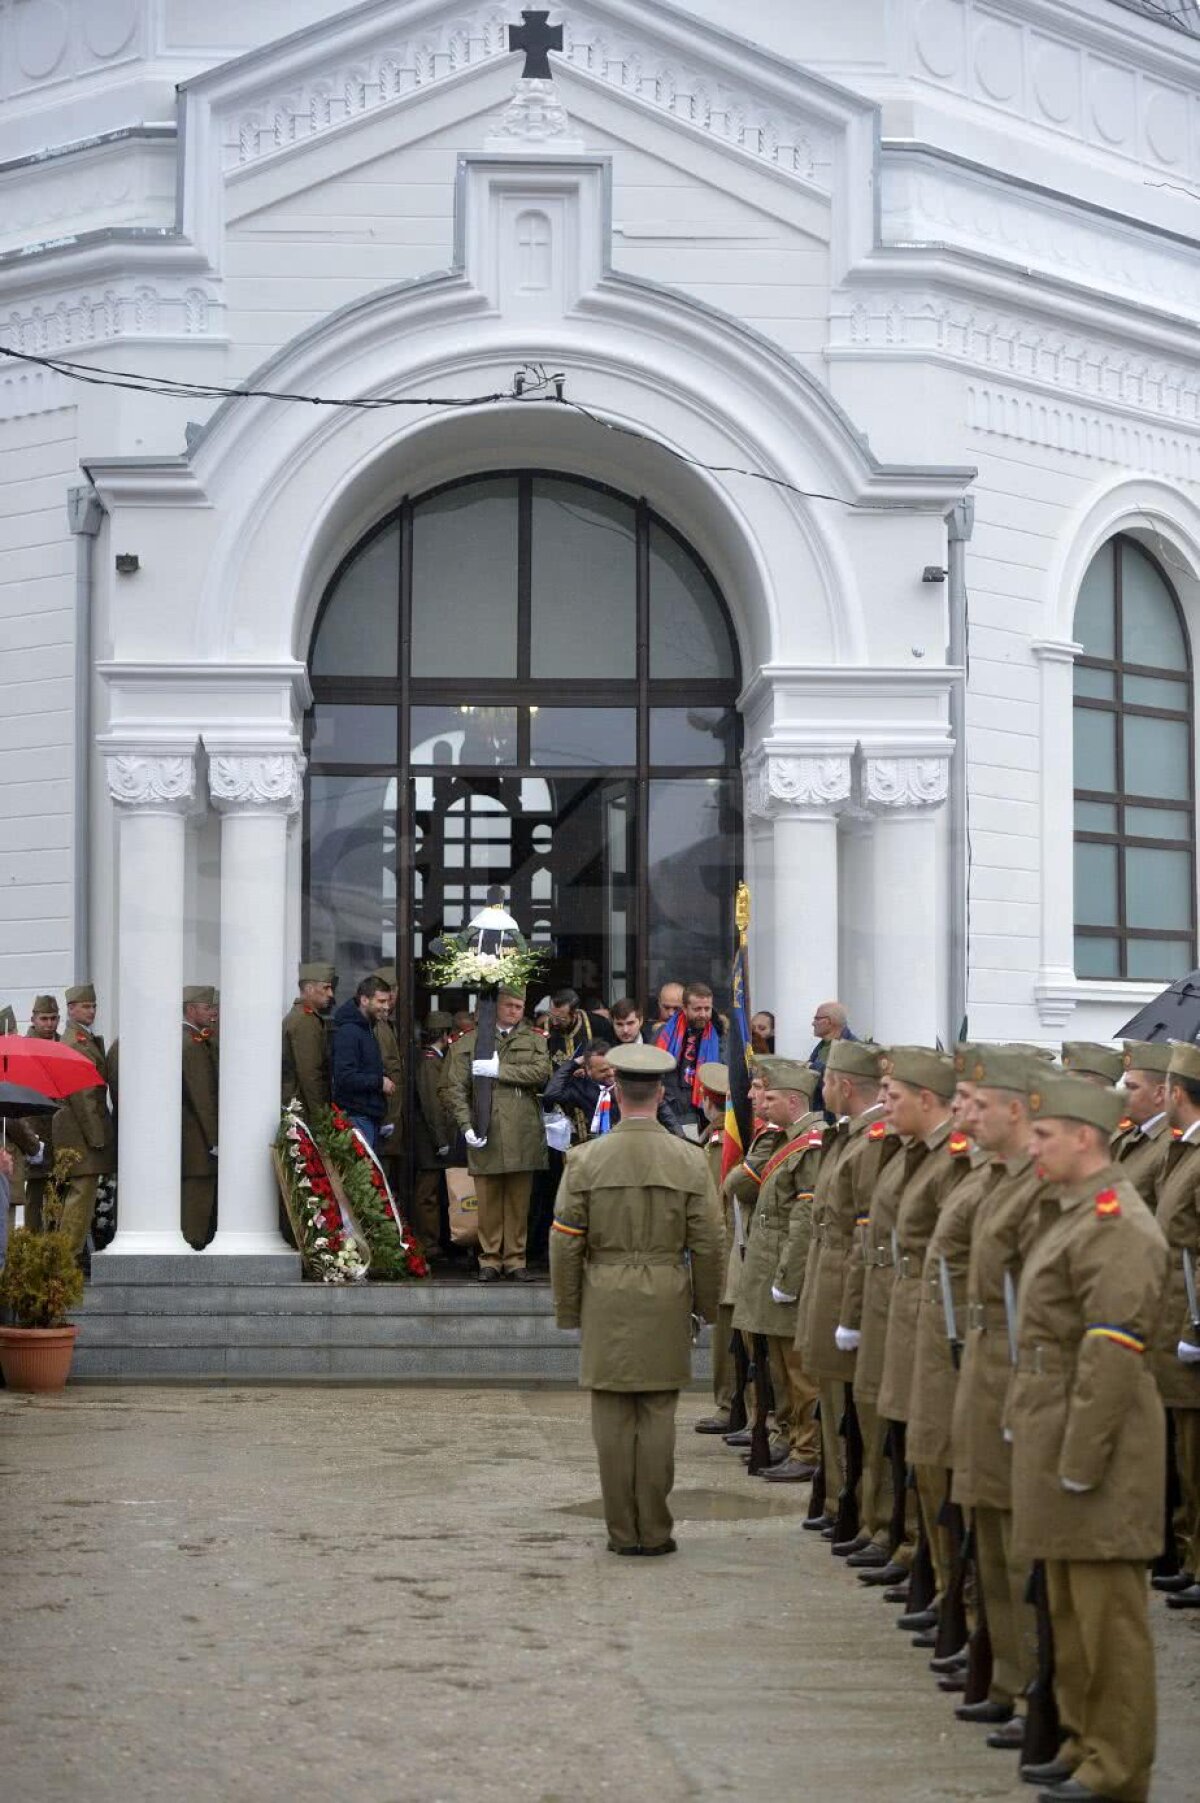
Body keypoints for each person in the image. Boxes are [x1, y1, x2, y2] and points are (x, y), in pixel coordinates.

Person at [1012, 1073, 1167, 1803]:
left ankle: (1118, 1767)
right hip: (1059, 1428)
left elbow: (1110, 1352)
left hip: (1100, 1442)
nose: (1033, 1146)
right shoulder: (1075, 1210)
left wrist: (1079, 1457)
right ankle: (1082, 1742)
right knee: (1071, 1609)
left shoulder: (1116, 1223)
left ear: (1084, 1138)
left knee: (1110, 1622)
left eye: (1044, 1135)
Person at [549, 1041, 723, 1555]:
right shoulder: (689, 1159)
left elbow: (565, 1241)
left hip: (605, 1292)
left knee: (611, 1415)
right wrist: (706, 1307)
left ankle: (622, 1532)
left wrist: (569, 1308)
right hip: (667, 1291)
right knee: (658, 1413)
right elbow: (709, 1243)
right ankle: (655, 1528)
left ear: (618, 1092)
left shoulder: (584, 1159)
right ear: (661, 1093)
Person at [950, 1045, 1054, 1748]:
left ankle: (1034, 1691)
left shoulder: (1037, 1187)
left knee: (1017, 1539)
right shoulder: (991, 1174)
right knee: (986, 1524)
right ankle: (1008, 1678)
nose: (969, 1115)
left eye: (981, 1105)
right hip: (983, 1355)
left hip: (1016, 1362)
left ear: (1018, 1110)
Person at [875, 1046, 975, 1609]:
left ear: (927, 1099)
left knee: (937, 1453)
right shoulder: (916, 1152)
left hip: (940, 1317)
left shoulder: (953, 1160)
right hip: (912, 1306)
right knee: (915, 1446)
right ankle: (934, 1574)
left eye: (894, 1096)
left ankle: (949, 1586)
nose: (884, 1103)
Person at [793, 1039, 890, 1546]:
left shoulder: (872, 1142)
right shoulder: (847, 1136)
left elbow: (864, 1229)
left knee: (857, 1413)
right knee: (832, 1400)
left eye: (827, 1081)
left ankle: (866, 1514)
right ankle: (837, 1501)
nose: (822, 1089)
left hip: (846, 1281)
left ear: (845, 1086)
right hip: (827, 1275)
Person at [733, 1058, 826, 1482]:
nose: (762, 1103)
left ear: (793, 1101)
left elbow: (804, 1221)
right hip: (769, 1269)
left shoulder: (810, 1145)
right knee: (779, 1369)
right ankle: (789, 1436)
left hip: (787, 1274)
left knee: (799, 1372)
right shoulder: (788, 1140)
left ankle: (808, 1449)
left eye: (770, 1097)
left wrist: (788, 1279)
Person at [443, 986, 552, 1282]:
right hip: (485, 1126)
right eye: (509, 1005)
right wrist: (466, 1126)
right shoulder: (469, 1042)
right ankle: (489, 1259)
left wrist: (500, 1070)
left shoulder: (534, 1039)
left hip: (521, 1130)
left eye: (520, 1006)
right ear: (496, 1007)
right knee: (488, 1201)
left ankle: (516, 1259)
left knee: (519, 1202)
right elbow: (455, 1089)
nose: (515, 1011)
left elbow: (542, 1072)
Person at [1148, 1041, 1200, 1611]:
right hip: (1169, 1315)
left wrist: (1195, 1327)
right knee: (1185, 1454)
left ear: (1178, 1093)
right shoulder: (1181, 1149)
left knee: (1194, 1453)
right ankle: (1190, 1559)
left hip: (1189, 1321)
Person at [51, 983, 116, 1259]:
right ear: (71, 1009)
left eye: (94, 1006)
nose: (92, 1011)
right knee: (81, 1197)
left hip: (80, 1131)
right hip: (81, 1134)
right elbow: (84, 1095)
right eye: (86, 1006)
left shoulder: (82, 1039)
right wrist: (98, 1136)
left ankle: (68, 1255)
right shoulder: (75, 1043)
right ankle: (66, 1258)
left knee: (82, 1198)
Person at [544, 1041, 681, 1141]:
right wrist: (574, 1063)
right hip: (602, 1150)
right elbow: (551, 1094)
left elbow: (663, 1111)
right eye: (603, 1070)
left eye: (613, 1067)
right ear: (589, 1070)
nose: (611, 1073)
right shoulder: (582, 1089)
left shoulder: (629, 1084)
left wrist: (681, 1139)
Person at [330, 977, 394, 1149]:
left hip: (366, 1116)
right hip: (357, 1117)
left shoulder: (367, 1028)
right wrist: (379, 1082)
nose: (386, 1007)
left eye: (387, 1001)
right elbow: (345, 1076)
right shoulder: (349, 1031)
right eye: (381, 1001)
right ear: (364, 1000)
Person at [412, 1010, 454, 1263]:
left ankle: (433, 1241)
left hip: (433, 1136)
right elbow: (432, 1105)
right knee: (427, 1193)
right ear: (445, 1035)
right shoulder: (430, 1061)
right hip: (429, 1139)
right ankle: (428, 1244)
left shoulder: (432, 1059)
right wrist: (441, 1140)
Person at [654, 981, 723, 1131]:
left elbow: (722, 1087)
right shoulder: (663, 1035)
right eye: (697, 1009)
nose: (703, 1014)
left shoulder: (719, 1039)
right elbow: (654, 1085)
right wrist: (675, 1128)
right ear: (684, 1008)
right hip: (668, 1120)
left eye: (707, 1009)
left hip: (706, 1122)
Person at [181, 985, 219, 1250]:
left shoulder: (194, 1039)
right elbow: (202, 1095)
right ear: (191, 1009)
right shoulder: (192, 1044)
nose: (211, 1012)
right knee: (197, 1197)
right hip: (197, 1136)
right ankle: (192, 1249)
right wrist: (214, 1138)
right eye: (207, 1007)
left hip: (193, 1133)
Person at [1113, 1040, 1173, 1205]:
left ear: (1159, 1093)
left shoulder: (1171, 1146)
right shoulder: (1131, 1135)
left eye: (1132, 1087)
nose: (1123, 1094)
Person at [281, 963, 336, 1121]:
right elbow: (310, 1074)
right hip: (303, 1111)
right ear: (310, 989)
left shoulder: (304, 1017)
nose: (331, 994)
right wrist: (321, 1117)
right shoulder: (305, 1021)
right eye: (326, 988)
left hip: (301, 1108)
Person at [808, 1001, 855, 1114]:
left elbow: (840, 1083)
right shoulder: (822, 1046)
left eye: (817, 1019)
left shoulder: (852, 1049)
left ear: (829, 1021)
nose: (813, 1023)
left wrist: (812, 1068)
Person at [544, 988, 608, 1068]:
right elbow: (550, 1052)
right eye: (552, 1015)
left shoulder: (597, 1024)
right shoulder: (546, 1026)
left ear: (575, 1013)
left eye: (560, 1019)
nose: (554, 1022)